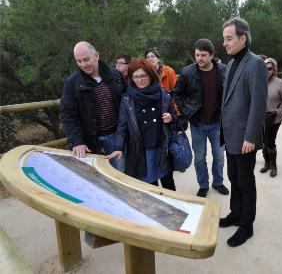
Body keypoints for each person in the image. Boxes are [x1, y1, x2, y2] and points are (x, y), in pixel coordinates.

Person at [219, 17, 268, 247]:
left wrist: (250, 136)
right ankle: (235, 214)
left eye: (229, 38)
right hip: (230, 135)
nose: (225, 43)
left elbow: (258, 104)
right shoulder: (231, 64)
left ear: (243, 38)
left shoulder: (255, 63)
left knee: (246, 182)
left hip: (244, 138)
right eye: (224, 39)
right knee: (233, 178)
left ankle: (246, 226)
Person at [106, 59, 180, 191]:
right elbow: (122, 127)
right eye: (135, 77)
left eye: (142, 76)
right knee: (150, 186)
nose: (139, 80)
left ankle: (175, 208)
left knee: (168, 183)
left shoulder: (163, 95)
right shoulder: (127, 99)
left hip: (162, 148)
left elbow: (176, 119)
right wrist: (119, 147)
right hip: (141, 150)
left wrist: (171, 118)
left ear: (150, 75)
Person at [173, 38, 229, 197]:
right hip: (197, 124)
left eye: (203, 55)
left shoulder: (223, 70)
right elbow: (177, 93)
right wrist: (185, 112)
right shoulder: (187, 72)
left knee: (219, 157)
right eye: (197, 55)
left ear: (212, 55)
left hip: (218, 123)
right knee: (199, 158)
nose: (200, 58)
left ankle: (218, 182)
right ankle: (203, 185)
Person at [60, 41, 126, 171]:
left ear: (96, 55)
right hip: (89, 141)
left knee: (119, 176)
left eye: (86, 59)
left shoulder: (116, 76)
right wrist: (77, 141)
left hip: (116, 137)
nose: (83, 65)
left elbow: (127, 105)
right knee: (95, 178)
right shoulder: (72, 83)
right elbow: (68, 114)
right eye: (79, 61)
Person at [259, 58, 282, 177]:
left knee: (269, 142)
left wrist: (279, 111)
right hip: (260, 118)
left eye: (270, 68)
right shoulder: (259, 81)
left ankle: (273, 165)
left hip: (274, 118)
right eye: (265, 68)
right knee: (262, 142)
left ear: (274, 70)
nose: (267, 71)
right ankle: (266, 163)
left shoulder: (280, 83)